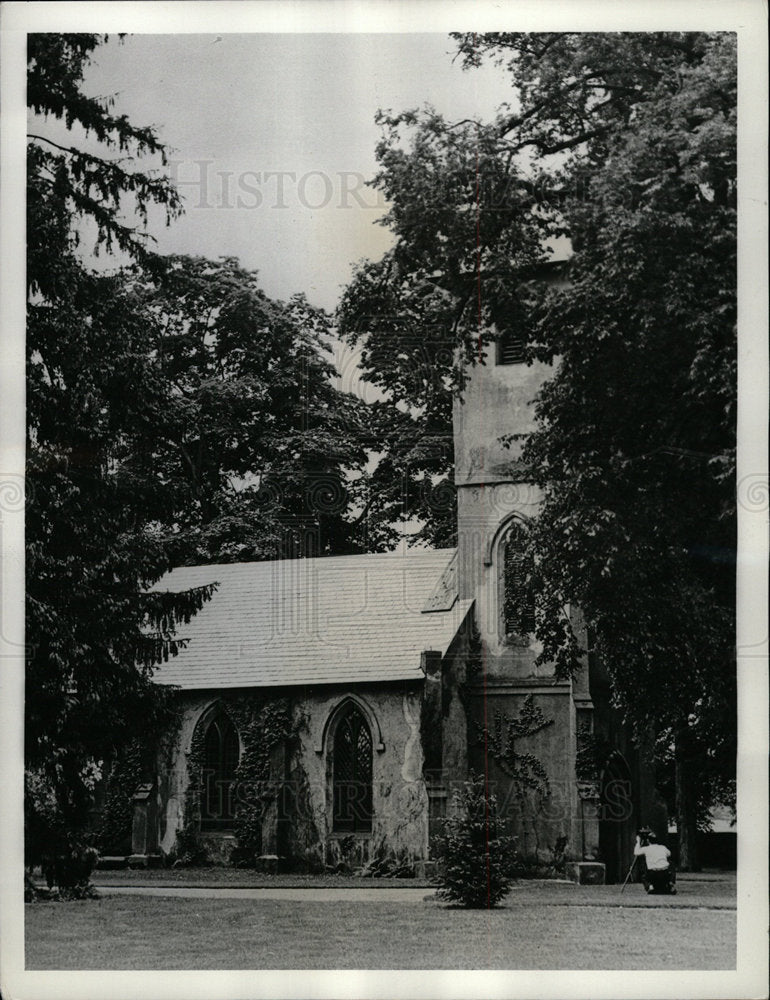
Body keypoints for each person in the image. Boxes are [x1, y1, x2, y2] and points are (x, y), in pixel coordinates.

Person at [633, 828, 676, 894]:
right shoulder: (663, 847)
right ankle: (671, 883)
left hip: (652, 874)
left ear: (648, 841)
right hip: (665, 873)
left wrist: (638, 842)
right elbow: (669, 854)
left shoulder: (646, 849)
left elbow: (636, 852)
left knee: (644, 875)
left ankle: (650, 887)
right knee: (671, 864)